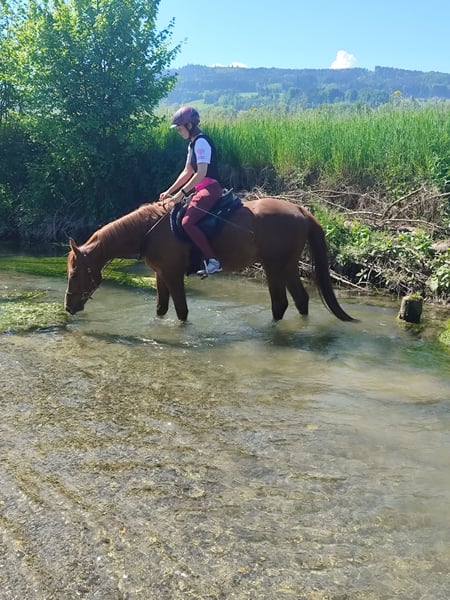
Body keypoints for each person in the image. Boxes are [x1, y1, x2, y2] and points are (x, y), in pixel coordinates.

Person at [159, 106, 223, 276]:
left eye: (180, 128)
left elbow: (200, 173)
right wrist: (169, 191)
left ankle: (212, 260)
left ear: (189, 125)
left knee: (187, 222)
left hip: (210, 188)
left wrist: (182, 193)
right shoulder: (192, 144)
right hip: (200, 188)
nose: (179, 132)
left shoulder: (201, 142)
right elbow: (187, 172)